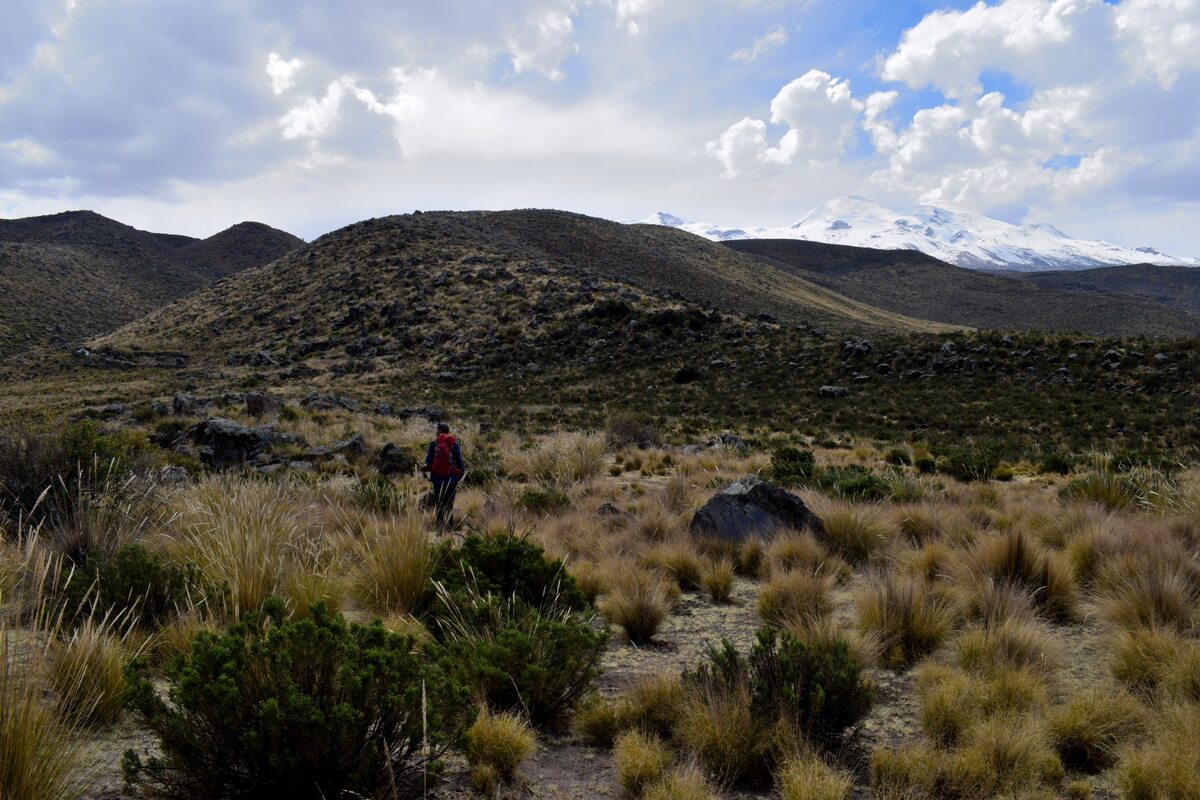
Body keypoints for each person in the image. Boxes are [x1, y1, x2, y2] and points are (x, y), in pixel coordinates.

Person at [422, 422, 465, 528]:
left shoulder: (434, 444)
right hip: (451, 479)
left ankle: (438, 524)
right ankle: (450, 525)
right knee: (449, 503)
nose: (436, 431)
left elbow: (428, 462)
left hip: (437, 479)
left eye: (437, 429)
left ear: (440, 431)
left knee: (439, 502)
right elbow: (460, 463)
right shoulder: (454, 444)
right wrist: (458, 475)